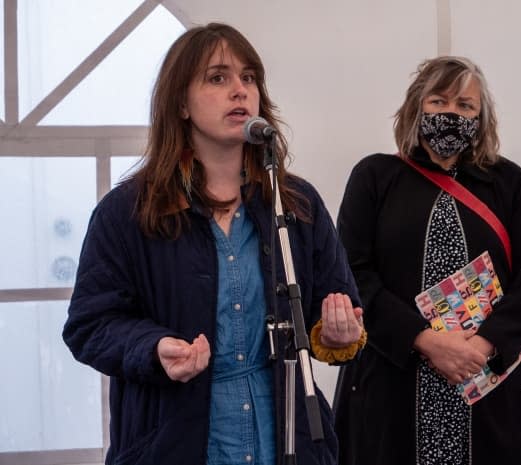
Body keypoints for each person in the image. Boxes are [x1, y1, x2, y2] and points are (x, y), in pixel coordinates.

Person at [63, 23, 366, 465]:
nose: (239, 91)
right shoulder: (128, 211)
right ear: (181, 104)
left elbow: (337, 311)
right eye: (218, 78)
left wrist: (340, 332)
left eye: (249, 78)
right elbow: (89, 326)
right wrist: (153, 347)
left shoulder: (296, 204)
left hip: (284, 441)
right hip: (174, 441)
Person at [333, 56, 521, 465]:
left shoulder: (507, 182)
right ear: (417, 108)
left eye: (465, 106)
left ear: (481, 117)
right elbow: (351, 273)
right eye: (438, 102)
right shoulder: (374, 177)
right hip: (392, 387)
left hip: (489, 382)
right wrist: (426, 341)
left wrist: (485, 344)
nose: (451, 114)